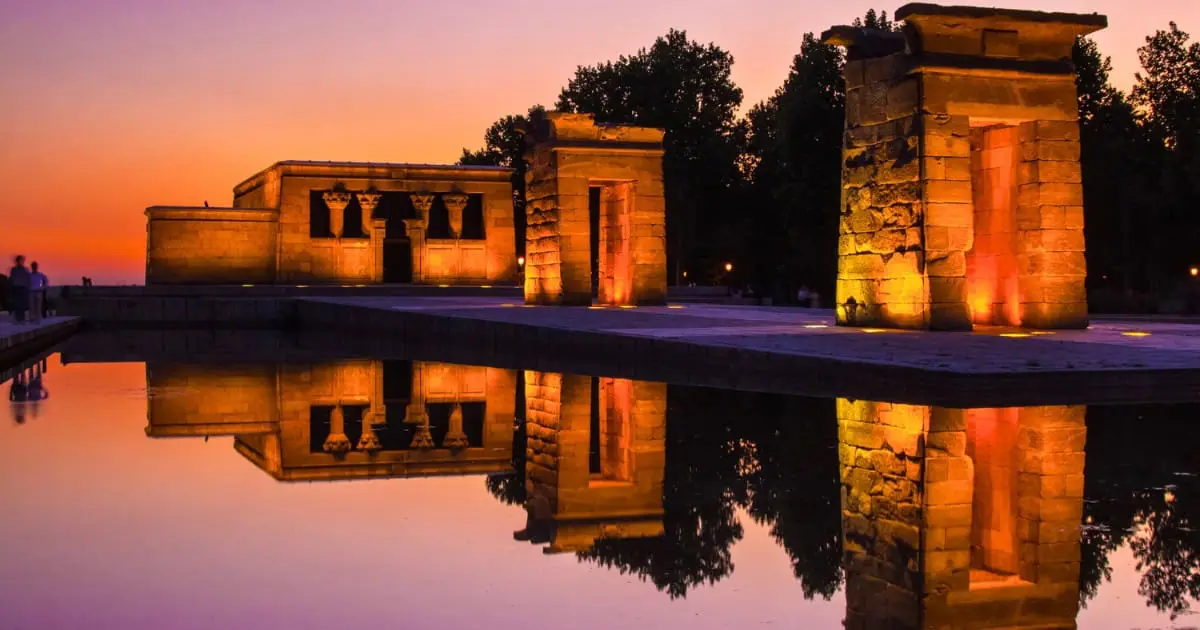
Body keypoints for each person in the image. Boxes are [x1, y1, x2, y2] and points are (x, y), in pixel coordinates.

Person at [8, 255, 30, 323]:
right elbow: (11, 279)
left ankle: (21, 319)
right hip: (16, 288)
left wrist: (28, 287)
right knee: (17, 304)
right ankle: (18, 319)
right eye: (21, 260)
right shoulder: (14, 269)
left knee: (22, 304)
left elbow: (28, 279)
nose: (22, 262)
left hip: (23, 288)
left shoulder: (25, 269)